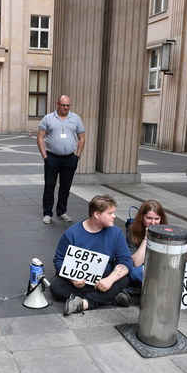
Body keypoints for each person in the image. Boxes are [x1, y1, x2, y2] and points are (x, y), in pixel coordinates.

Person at [50, 195, 133, 315]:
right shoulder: (72, 233)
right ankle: (109, 296)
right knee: (56, 286)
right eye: (110, 213)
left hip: (103, 278)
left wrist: (110, 280)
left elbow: (125, 261)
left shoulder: (116, 233)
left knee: (124, 277)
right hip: (79, 278)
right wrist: (72, 279)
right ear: (97, 214)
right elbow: (59, 260)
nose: (114, 216)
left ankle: (85, 303)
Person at [36, 95, 85, 224]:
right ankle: (47, 213)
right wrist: (45, 156)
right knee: (49, 186)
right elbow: (40, 137)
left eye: (68, 105)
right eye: (63, 105)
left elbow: (82, 138)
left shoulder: (76, 119)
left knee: (65, 187)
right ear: (57, 104)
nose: (66, 107)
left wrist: (77, 156)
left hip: (70, 159)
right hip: (52, 158)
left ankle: (61, 212)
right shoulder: (48, 118)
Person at [125, 200, 168, 286]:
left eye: (157, 219)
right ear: (142, 217)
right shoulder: (133, 230)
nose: (153, 223)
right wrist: (146, 238)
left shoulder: (166, 231)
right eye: (149, 218)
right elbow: (136, 262)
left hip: (158, 268)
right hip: (142, 269)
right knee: (130, 272)